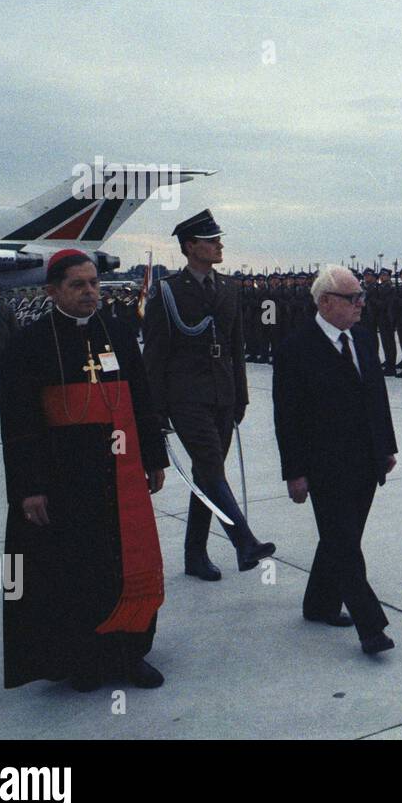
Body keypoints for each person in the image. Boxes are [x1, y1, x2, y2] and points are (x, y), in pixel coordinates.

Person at [0, 249, 168, 691]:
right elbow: (18, 423)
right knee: (78, 570)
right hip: (65, 479)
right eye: (78, 285)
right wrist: (29, 488)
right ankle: (85, 659)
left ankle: (131, 653)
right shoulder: (29, 343)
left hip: (121, 474)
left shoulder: (117, 331)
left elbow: (142, 397)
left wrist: (154, 458)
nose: (90, 292)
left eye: (93, 283)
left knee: (125, 563)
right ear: (52, 290)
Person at [142, 209, 275, 580]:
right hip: (185, 396)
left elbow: (236, 347)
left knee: (206, 475)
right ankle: (243, 540)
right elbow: (154, 354)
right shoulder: (168, 291)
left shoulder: (229, 287)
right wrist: (155, 411)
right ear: (190, 247)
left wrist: (241, 397)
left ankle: (194, 555)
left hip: (223, 395)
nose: (219, 245)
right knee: (212, 468)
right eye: (211, 240)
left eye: (218, 239)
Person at [273, 265, 397, 655]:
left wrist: (386, 446)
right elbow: (286, 418)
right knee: (344, 544)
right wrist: (294, 473)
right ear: (326, 302)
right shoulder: (295, 349)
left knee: (341, 537)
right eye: (353, 297)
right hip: (323, 465)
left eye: (362, 296)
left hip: (366, 460)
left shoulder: (362, 337)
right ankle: (371, 626)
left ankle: (318, 604)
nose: (362, 303)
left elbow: (377, 396)